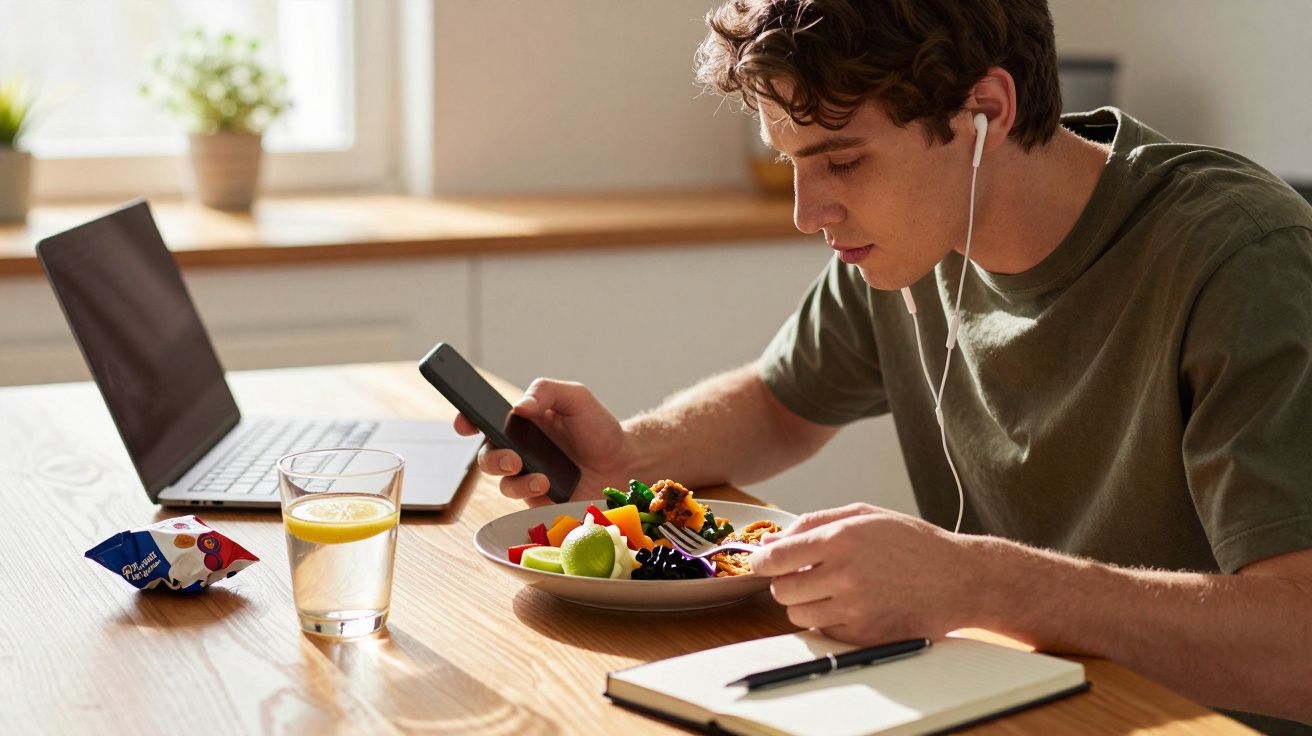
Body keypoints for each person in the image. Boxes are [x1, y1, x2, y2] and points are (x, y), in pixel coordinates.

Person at [455, 0, 1312, 730]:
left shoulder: (1240, 259)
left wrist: (977, 580)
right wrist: (630, 458)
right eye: (794, 163)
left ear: (986, 111)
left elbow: (1298, 645)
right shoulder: (917, 234)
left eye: (841, 160)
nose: (805, 212)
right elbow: (782, 405)